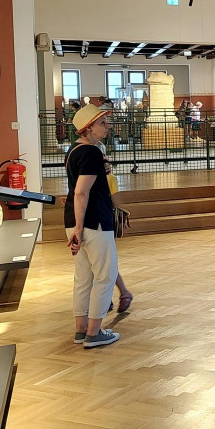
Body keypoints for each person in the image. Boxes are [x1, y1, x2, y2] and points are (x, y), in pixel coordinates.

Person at [65, 104, 122, 349]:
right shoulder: (90, 152)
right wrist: (80, 229)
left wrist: (76, 228)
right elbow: (81, 192)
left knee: (84, 277)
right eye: (102, 123)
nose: (107, 126)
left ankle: (81, 329)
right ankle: (94, 332)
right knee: (105, 276)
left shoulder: (74, 150)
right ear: (88, 128)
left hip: (76, 220)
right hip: (93, 222)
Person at [98, 142, 133, 313]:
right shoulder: (108, 178)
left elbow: (116, 201)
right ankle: (112, 295)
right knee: (103, 262)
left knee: (104, 262)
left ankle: (118, 294)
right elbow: (117, 201)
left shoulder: (105, 178)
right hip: (101, 222)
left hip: (101, 223)